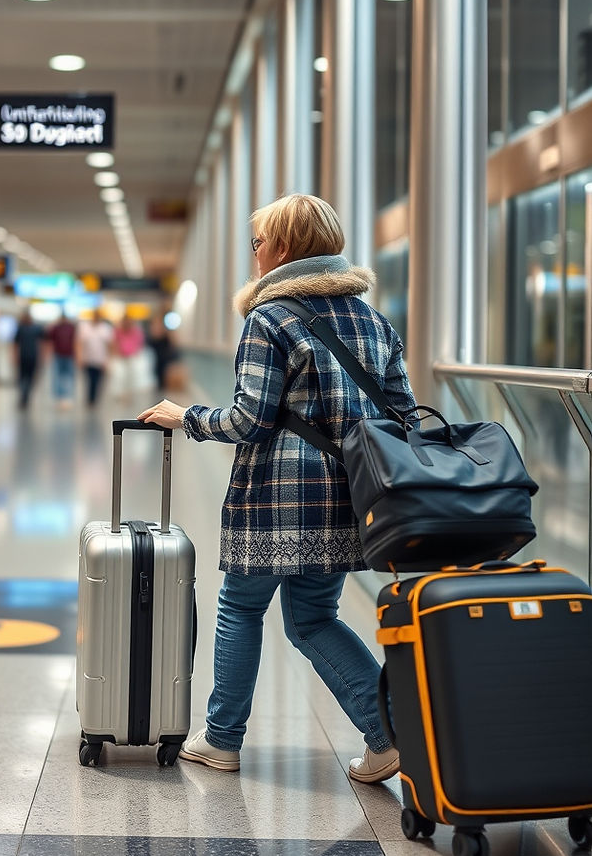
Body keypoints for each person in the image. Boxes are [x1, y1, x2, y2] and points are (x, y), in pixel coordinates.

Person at [137, 193, 417, 783]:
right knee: (315, 616)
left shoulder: (270, 318)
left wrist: (184, 417)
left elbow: (248, 421)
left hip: (276, 496)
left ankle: (220, 739)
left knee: (241, 607)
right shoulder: (375, 320)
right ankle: (387, 735)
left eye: (259, 242)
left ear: (284, 249)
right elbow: (404, 416)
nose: (256, 253)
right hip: (346, 495)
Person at [76, 310, 112, 408]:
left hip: (100, 359)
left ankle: (94, 398)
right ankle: (90, 399)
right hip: (87, 359)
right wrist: (79, 357)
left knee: (98, 380)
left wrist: (108, 359)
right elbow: (79, 343)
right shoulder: (84, 327)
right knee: (89, 379)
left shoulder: (105, 328)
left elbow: (109, 345)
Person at [13, 310, 43, 409]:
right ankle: (23, 396)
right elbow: (15, 344)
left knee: (29, 378)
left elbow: (41, 343)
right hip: (24, 357)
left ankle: (26, 396)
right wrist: (14, 356)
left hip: (32, 357)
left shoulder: (36, 329)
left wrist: (42, 356)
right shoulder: (20, 329)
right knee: (22, 378)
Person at [47, 312, 77, 407]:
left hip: (69, 355)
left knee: (69, 377)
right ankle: (59, 397)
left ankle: (67, 397)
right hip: (58, 355)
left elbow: (76, 341)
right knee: (57, 377)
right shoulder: (55, 328)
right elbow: (49, 340)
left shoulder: (72, 328)